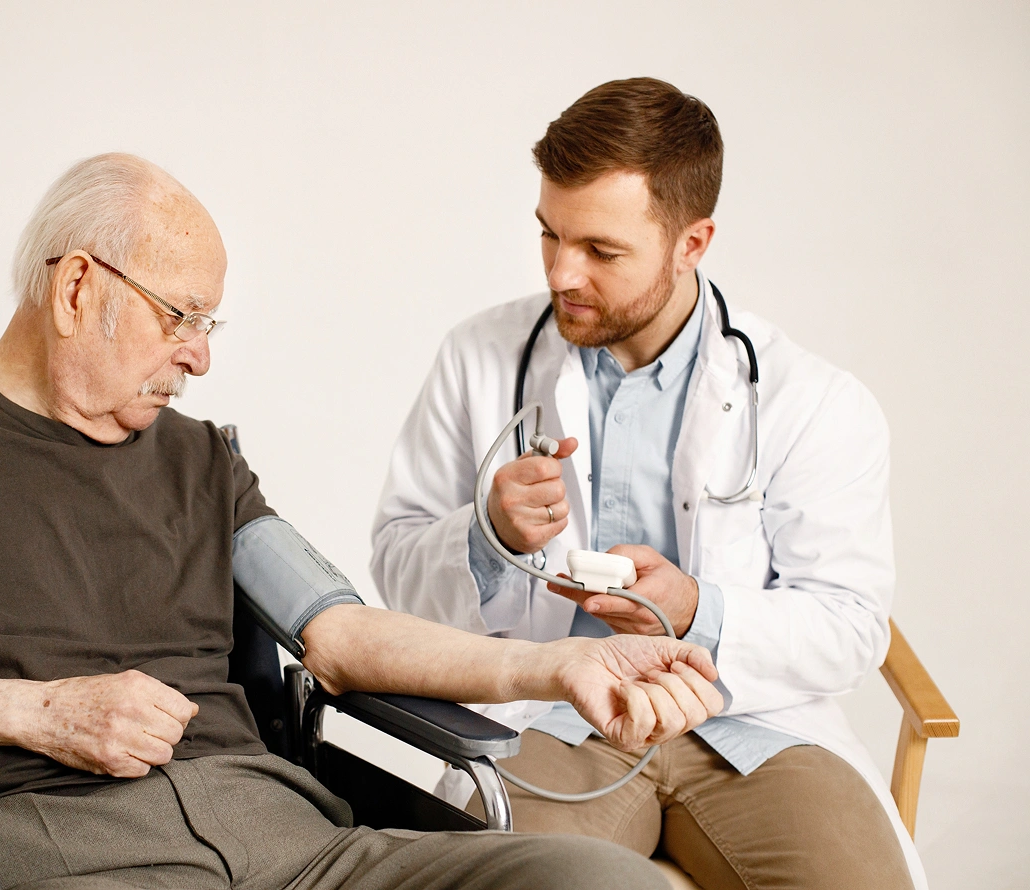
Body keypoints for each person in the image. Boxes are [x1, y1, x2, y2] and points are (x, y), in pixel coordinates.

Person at [0, 153, 725, 890]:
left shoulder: (204, 462)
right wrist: (39, 711)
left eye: (211, 325)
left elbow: (339, 631)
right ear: (77, 287)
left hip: (294, 840)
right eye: (180, 316)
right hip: (55, 850)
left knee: (610, 882)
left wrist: (552, 667)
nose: (200, 357)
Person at [371, 79, 923, 890]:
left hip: (747, 725)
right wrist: (487, 536)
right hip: (557, 718)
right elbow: (394, 568)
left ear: (692, 243)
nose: (563, 272)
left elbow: (850, 625)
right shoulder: (478, 357)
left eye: (601, 250)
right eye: (549, 235)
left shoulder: (812, 400)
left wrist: (698, 609)